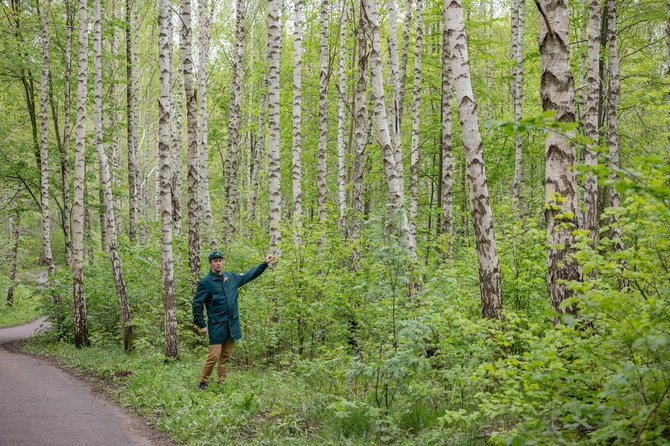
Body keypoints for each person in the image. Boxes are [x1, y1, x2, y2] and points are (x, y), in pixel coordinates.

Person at [192, 250, 275, 390]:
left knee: (226, 356)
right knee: (213, 356)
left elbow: (249, 275)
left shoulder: (230, 277)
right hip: (216, 325)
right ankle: (203, 382)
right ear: (210, 263)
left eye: (220, 260)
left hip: (231, 324)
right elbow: (197, 304)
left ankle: (221, 383)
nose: (218, 263)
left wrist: (264, 263)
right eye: (215, 261)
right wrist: (201, 324)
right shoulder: (206, 282)